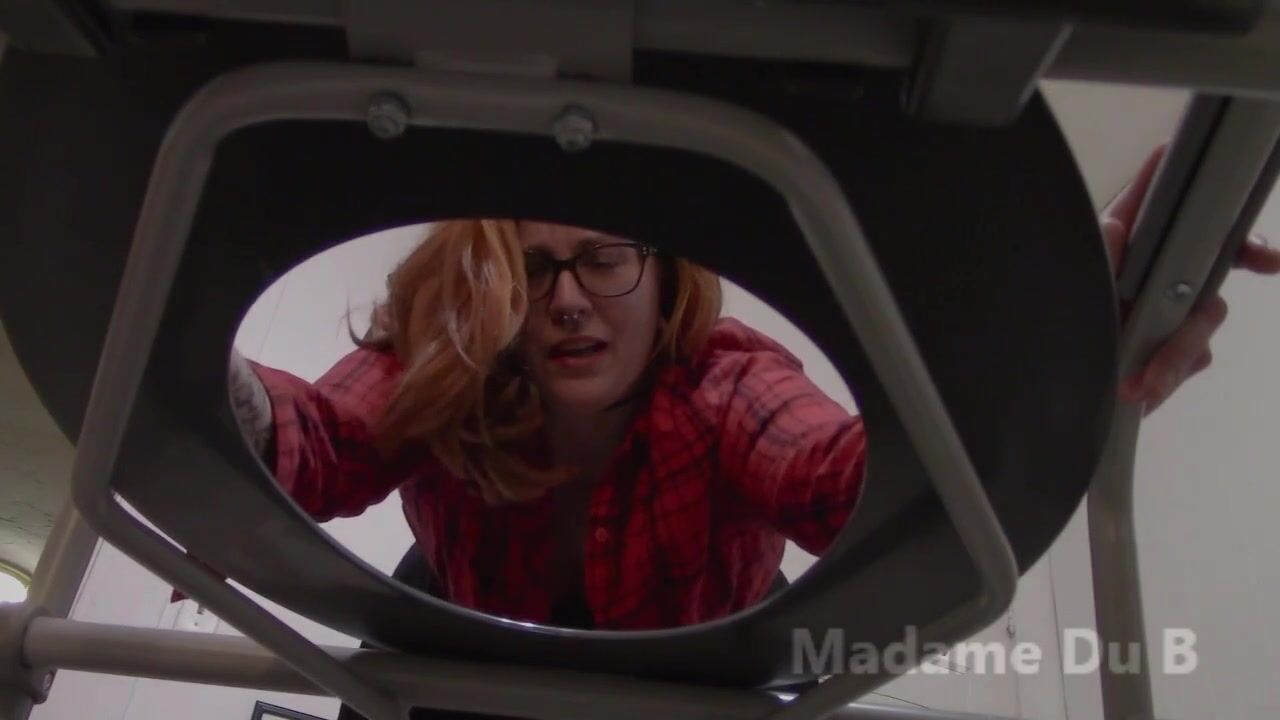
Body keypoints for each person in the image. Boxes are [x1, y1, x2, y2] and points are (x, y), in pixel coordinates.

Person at [227, 146, 1279, 632]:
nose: (569, 300)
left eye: (604, 261)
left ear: (665, 280)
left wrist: (1053, 343)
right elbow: (317, 439)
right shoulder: (450, 360)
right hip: (462, 635)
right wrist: (209, 389)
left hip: (704, 664)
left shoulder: (723, 381)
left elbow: (844, 484)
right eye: (536, 270)